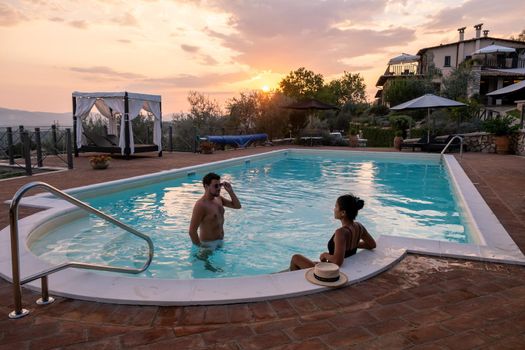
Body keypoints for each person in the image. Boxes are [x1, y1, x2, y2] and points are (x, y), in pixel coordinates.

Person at [289, 194, 376, 271]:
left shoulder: (340, 232)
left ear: (343, 213)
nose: (334, 209)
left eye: (336, 206)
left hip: (333, 272)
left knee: (296, 258)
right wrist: (352, 244)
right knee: (310, 262)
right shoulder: (359, 227)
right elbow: (372, 245)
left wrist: (325, 255)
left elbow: (338, 261)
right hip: (343, 268)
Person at [189, 172, 241, 247]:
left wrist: (230, 191)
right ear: (206, 186)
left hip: (220, 241)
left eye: (220, 185)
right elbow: (192, 232)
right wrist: (200, 248)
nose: (219, 188)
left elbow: (237, 206)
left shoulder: (218, 198)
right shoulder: (201, 205)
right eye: (216, 186)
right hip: (208, 246)